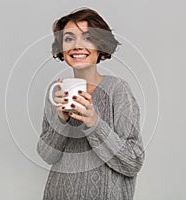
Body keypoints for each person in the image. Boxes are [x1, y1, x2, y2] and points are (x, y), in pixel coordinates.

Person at [37, 7, 145, 200]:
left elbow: (133, 161)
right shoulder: (57, 91)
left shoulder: (118, 89)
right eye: (69, 38)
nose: (77, 46)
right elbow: (47, 155)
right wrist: (60, 121)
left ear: (100, 45)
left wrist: (94, 123)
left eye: (87, 37)